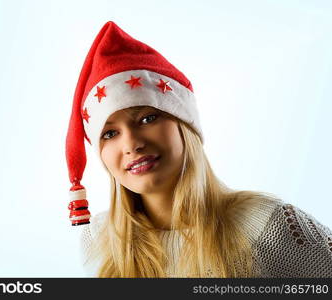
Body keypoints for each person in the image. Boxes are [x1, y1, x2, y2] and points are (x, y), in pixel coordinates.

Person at [65, 21, 332, 277]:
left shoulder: (268, 226)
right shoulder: (98, 241)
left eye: (148, 118)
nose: (131, 144)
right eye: (109, 133)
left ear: (186, 126)